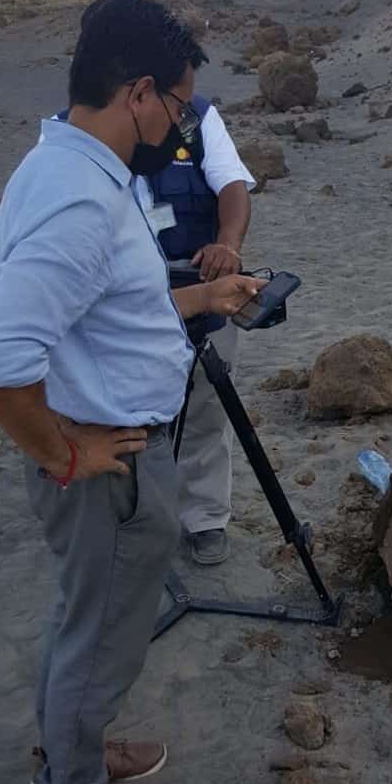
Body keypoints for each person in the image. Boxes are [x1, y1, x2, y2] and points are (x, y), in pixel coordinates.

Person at [0, 0, 264, 784]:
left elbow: (109, 307)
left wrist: (203, 297)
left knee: (84, 614)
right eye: (176, 105)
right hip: (103, 457)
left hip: (111, 444)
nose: (180, 125)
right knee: (103, 629)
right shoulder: (82, 200)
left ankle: (70, 750)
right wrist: (66, 453)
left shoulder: (72, 168)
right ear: (137, 93)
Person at [132, 79, 254, 567]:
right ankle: (136, 522)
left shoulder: (198, 118)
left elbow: (232, 185)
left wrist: (228, 244)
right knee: (133, 415)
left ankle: (204, 519)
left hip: (203, 280)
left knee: (206, 404)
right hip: (131, 293)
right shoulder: (74, 132)